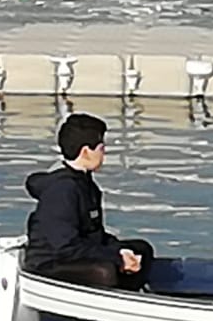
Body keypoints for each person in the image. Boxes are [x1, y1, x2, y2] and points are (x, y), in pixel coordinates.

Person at [23, 112, 154, 290]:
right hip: (51, 262)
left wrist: (120, 250)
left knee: (142, 249)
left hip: (78, 251)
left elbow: (94, 235)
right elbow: (66, 247)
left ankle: (131, 294)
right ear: (85, 152)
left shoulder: (87, 184)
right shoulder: (62, 190)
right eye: (101, 148)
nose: (104, 153)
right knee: (104, 271)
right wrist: (114, 256)